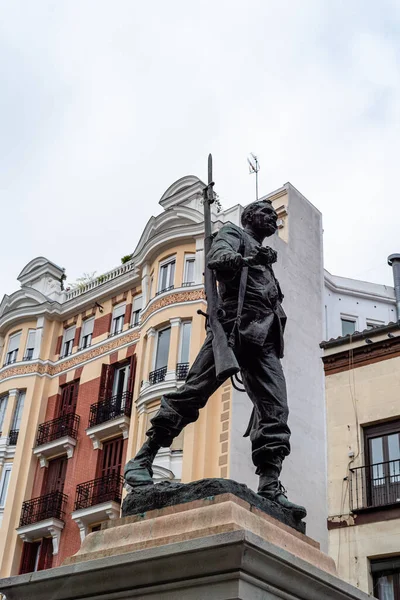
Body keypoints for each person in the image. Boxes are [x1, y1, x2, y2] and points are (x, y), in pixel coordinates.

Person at [124, 199, 306, 518]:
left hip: (263, 338)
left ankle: (270, 485)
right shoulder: (234, 233)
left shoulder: (262, 253)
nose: (273, 220)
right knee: (192, 394)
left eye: (274, 216)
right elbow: (218, 260)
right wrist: (250, 257)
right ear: (250, 217)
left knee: (276, 409)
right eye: (266, 214)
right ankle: (142, 460)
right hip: (235, 330)